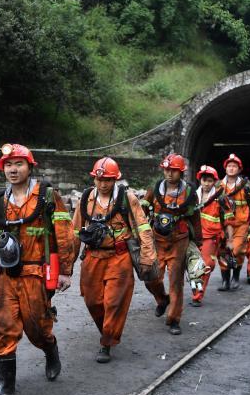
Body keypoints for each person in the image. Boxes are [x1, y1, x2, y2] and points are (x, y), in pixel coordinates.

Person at [0, 144, 76, 395]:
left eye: (19, 164)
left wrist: (65, 271)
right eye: (8, 165)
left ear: (30, 166)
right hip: (6, 274)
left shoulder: (47, 196)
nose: (13, 170)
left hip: (36, 271)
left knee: (37, 326)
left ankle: (50, 349)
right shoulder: (0, 201)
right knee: (2, 325)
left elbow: (64, 234)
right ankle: (6, 384)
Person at [72, 157, 156, 363]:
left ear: (115, 180)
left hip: (119, 257)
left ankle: (107, 343)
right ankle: (107, 330)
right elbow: (74, 232)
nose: (103, 184)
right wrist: (66, 267)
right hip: (93, 257)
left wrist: (147, 256)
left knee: (113, 302)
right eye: (99, 180)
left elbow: (143, 228)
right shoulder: (86, 199)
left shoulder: (127, 199)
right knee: (92, 301)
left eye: (108, 180)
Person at [144, 153, 202, 335]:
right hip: (157, 240)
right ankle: (162, 300)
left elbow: (195, 217)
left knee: (176, 281)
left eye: (174, 170)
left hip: (179, 239)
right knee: (151, 277)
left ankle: (174, 320)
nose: (169, 173)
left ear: (181, 172)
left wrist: (198, 242)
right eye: (166, 169)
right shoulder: (154, 190)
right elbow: (143, 212)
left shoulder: (189, 193)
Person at [216, 154, 250, 289]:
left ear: (239, 169)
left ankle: (235, 277)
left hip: (241, 223)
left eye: (234, 166)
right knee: (223, 251)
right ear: (225, 168)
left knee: (237, 250)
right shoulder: (219, 185)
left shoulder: (246, 185)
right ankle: (225, 281)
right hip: (223, 224)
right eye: (229, 166)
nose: (231, 169)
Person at [191, 165, 226, 306]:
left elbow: (227, 219)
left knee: (207, 265)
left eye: (210, 181)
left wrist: (226, 239)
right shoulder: (192, 196)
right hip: (192, 237)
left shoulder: (220, 199)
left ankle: (198, 296)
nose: (206, 183)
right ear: (200, 180)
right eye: (204, 180)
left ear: (214, 182)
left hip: (210, 238)